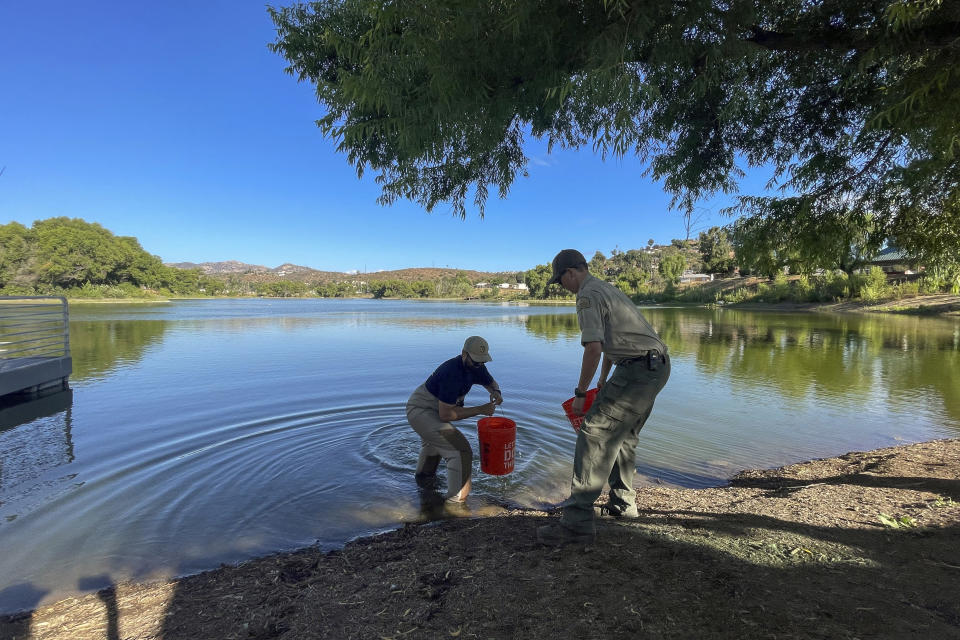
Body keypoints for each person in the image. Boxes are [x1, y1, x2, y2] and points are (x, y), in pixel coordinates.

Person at [537, 249, 671, 546]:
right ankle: (623, 504)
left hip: (638, 370)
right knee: (623, 438)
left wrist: (581, 394)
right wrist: (602, 380)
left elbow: (594, 348)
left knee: (594, 434)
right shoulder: (606, 288)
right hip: (656, 367)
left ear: (571, 273)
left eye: (560, 281)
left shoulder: (586, 295)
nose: (562, 287)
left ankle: (576, 525)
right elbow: (614, 341)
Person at [406, 336, 504, 504]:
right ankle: (455, 505)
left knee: (434, 448)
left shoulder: (477, 366)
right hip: (421, 410)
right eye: (476, 362)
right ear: (464, 354)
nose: (479, 365)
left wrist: (496, 392)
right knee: (461, 451)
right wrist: (480, 410)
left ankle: (423, 486)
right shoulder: (452, 372)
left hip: (437, 411)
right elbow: (447, 415)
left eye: (483, 362)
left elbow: (491, 382)